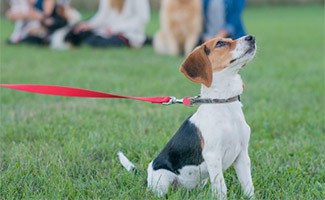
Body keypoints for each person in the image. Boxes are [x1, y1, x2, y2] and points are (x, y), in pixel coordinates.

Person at [65, 0, 150, 48]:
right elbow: (102, 15)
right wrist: (89, 25)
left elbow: (142, 19)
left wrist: (115, 29)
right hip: (106, 30)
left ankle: (143, 41)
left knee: (99, 42)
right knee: (78, 31)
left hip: (128, 33)